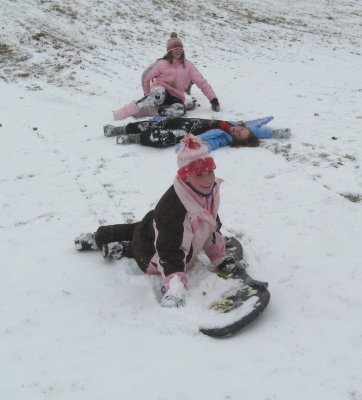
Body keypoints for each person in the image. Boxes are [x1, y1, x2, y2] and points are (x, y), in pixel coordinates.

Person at [74, 134, 239, 308]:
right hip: (149, 249)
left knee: (136, 229)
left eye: (210, 172)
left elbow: (210, 224)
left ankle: (102, 237)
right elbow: (169, 251)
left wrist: (219, 257)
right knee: (138, 240)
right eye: (199, 175)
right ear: (185, 177)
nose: (208, 180)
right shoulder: (173, 209)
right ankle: (118, 246)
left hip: (154, 224)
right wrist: (175, 285)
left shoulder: (208, 192)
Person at [112, 32, 220, 121]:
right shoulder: (161, 63)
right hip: (160, 91)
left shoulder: (188, 66)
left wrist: (213, 99)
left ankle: (152, 111)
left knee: (180, 110)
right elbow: (146, 77)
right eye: (175, 49)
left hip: (176, 97)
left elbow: (201, 82)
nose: (178, 51)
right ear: (169, 51)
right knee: (158, 94)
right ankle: (124, 112)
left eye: (180, 49)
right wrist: (147, 95)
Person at [103, 117, 291, 150]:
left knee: (159, 137)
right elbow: (259, 129)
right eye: (242, 129)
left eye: (239, 133)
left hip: (183, 134)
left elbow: (210, 145)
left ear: (236, 140)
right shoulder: (234, 124)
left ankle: (132, 138)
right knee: (147, 125)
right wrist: (277, 132)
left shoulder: (223, 138)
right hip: (186, 122)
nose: (239, 129)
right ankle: (119, 129)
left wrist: (201, 149)